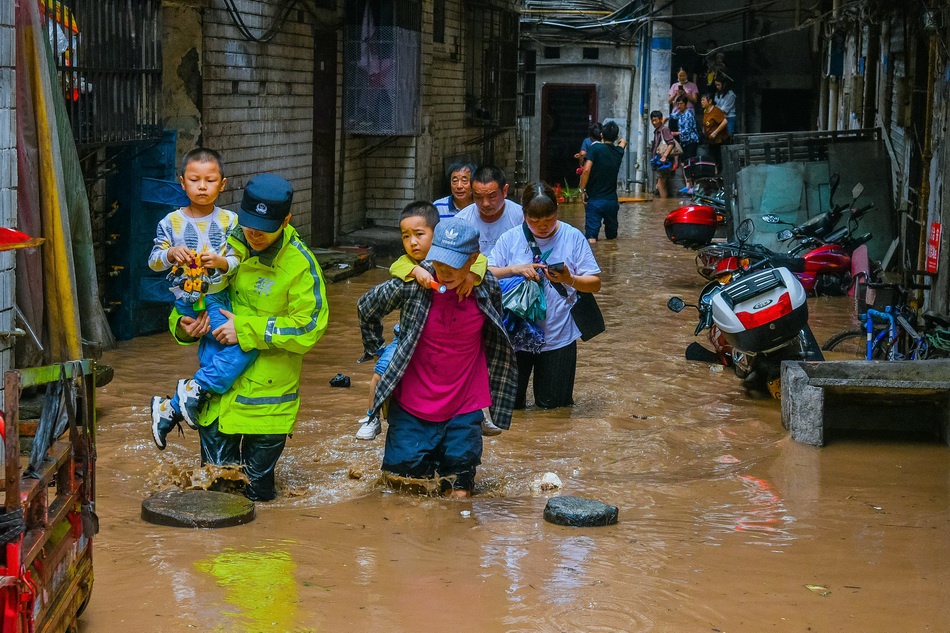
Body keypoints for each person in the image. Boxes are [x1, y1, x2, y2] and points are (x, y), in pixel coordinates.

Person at [172, 173, 329, 502]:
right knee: (215, 493)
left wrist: (245, 329)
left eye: (265, 225)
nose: (254, 233)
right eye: (249, 223)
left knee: (257, 498)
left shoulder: (300, 266)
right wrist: (184, 325)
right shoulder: (222, 248)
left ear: (286, 220)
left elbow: (309, 327)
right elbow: (189, 294)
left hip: (266, 408)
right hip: (216, 398)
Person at [357, 217, 518, 498]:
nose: (444, 272)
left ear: (473, 260)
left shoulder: (486, 285)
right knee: (403, 491)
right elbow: (366, 307)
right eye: (440, 263)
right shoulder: (414, 282)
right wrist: (378, 351)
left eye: (454, 265)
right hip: (411, 406)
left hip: (464, 404)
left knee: (459, 492)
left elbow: (495, 333)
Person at [355, 201, 499, 441]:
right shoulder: (407, 265)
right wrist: (416, 272)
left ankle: (478, 413)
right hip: (406, 338)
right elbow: (370, 302)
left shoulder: (478, 272)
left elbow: (481, 261)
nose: (413, 242)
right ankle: (372, 416)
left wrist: (472, 277)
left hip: (457, 352)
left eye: (419, 235)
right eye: (406, 236)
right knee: (381, 373)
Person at [147, 147, 258, 450]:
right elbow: (154, 260)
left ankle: (174, 405)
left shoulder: (231, 221)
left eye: (210, 181)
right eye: (195, 180)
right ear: (182, 182)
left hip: (217, 296)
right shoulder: (171, 222)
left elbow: (238, 259)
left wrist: (221, 263)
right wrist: (170, 254)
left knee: (232, 346)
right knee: (243, 343)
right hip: (184, 299)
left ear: (223, 184)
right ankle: (187, 396)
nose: (202, 186)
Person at [488, 183, 602, 409]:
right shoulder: (510, 239)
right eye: (534, 221)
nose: (542, 226)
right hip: (515, 336)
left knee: (555, 410)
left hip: (558, 336)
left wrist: (570, 279)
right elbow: (487, 273)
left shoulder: (573, 237)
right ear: (524, 216)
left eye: (548, 220)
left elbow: (595, 284)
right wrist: (515, 269)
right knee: (509, 409)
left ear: (557, 212)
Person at [455, 166, 524, 257]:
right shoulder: (461, 221)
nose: (485, 204)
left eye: (492, 197)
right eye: (478, 197)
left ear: (504, 191)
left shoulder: (521, 217)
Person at [578, 120, 626, 243]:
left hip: (594, 201)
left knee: (591, 238)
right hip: (611, 202)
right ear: (615, 137)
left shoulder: (595, 149)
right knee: (612, 239)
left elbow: (586, 170)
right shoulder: (619, 152)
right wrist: (618, 139)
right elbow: (623, 142)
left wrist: (582, 189)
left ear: (601, 135)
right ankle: (612, 261)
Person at [669, 96, 701, 195]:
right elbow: (672, 116)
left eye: (681, 104)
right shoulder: (679, 113)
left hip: (691, 140)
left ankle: (692, 185)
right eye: (677, 104)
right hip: (684, 142)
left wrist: (676, 133)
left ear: (685, 104)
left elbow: (687, 130)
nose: (679, 106)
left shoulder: (688, 114)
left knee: (690, 162)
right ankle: (688, 184)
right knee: (683, 163)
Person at [700, 93, 731, 172]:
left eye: (703, 100)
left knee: (719, 158)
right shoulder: (705, 111)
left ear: (709, 101)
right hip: (711, 141)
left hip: (720, 140)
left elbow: (725, 121)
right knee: (712, 158)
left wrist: (715, 132)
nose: (702, 102)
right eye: (701, 100)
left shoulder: (716, 111)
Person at [649, 111, 676, 199]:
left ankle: (663, 205)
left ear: (661, 120)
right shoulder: (657, 131)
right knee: (660, 183)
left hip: (665, 162)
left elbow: (671, 143)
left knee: (661, 184)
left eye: (656, 120)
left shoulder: (664, 130)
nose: (654, 123)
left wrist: (664, 156)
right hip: (659, 162)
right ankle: (663, 205)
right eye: (652, 121)